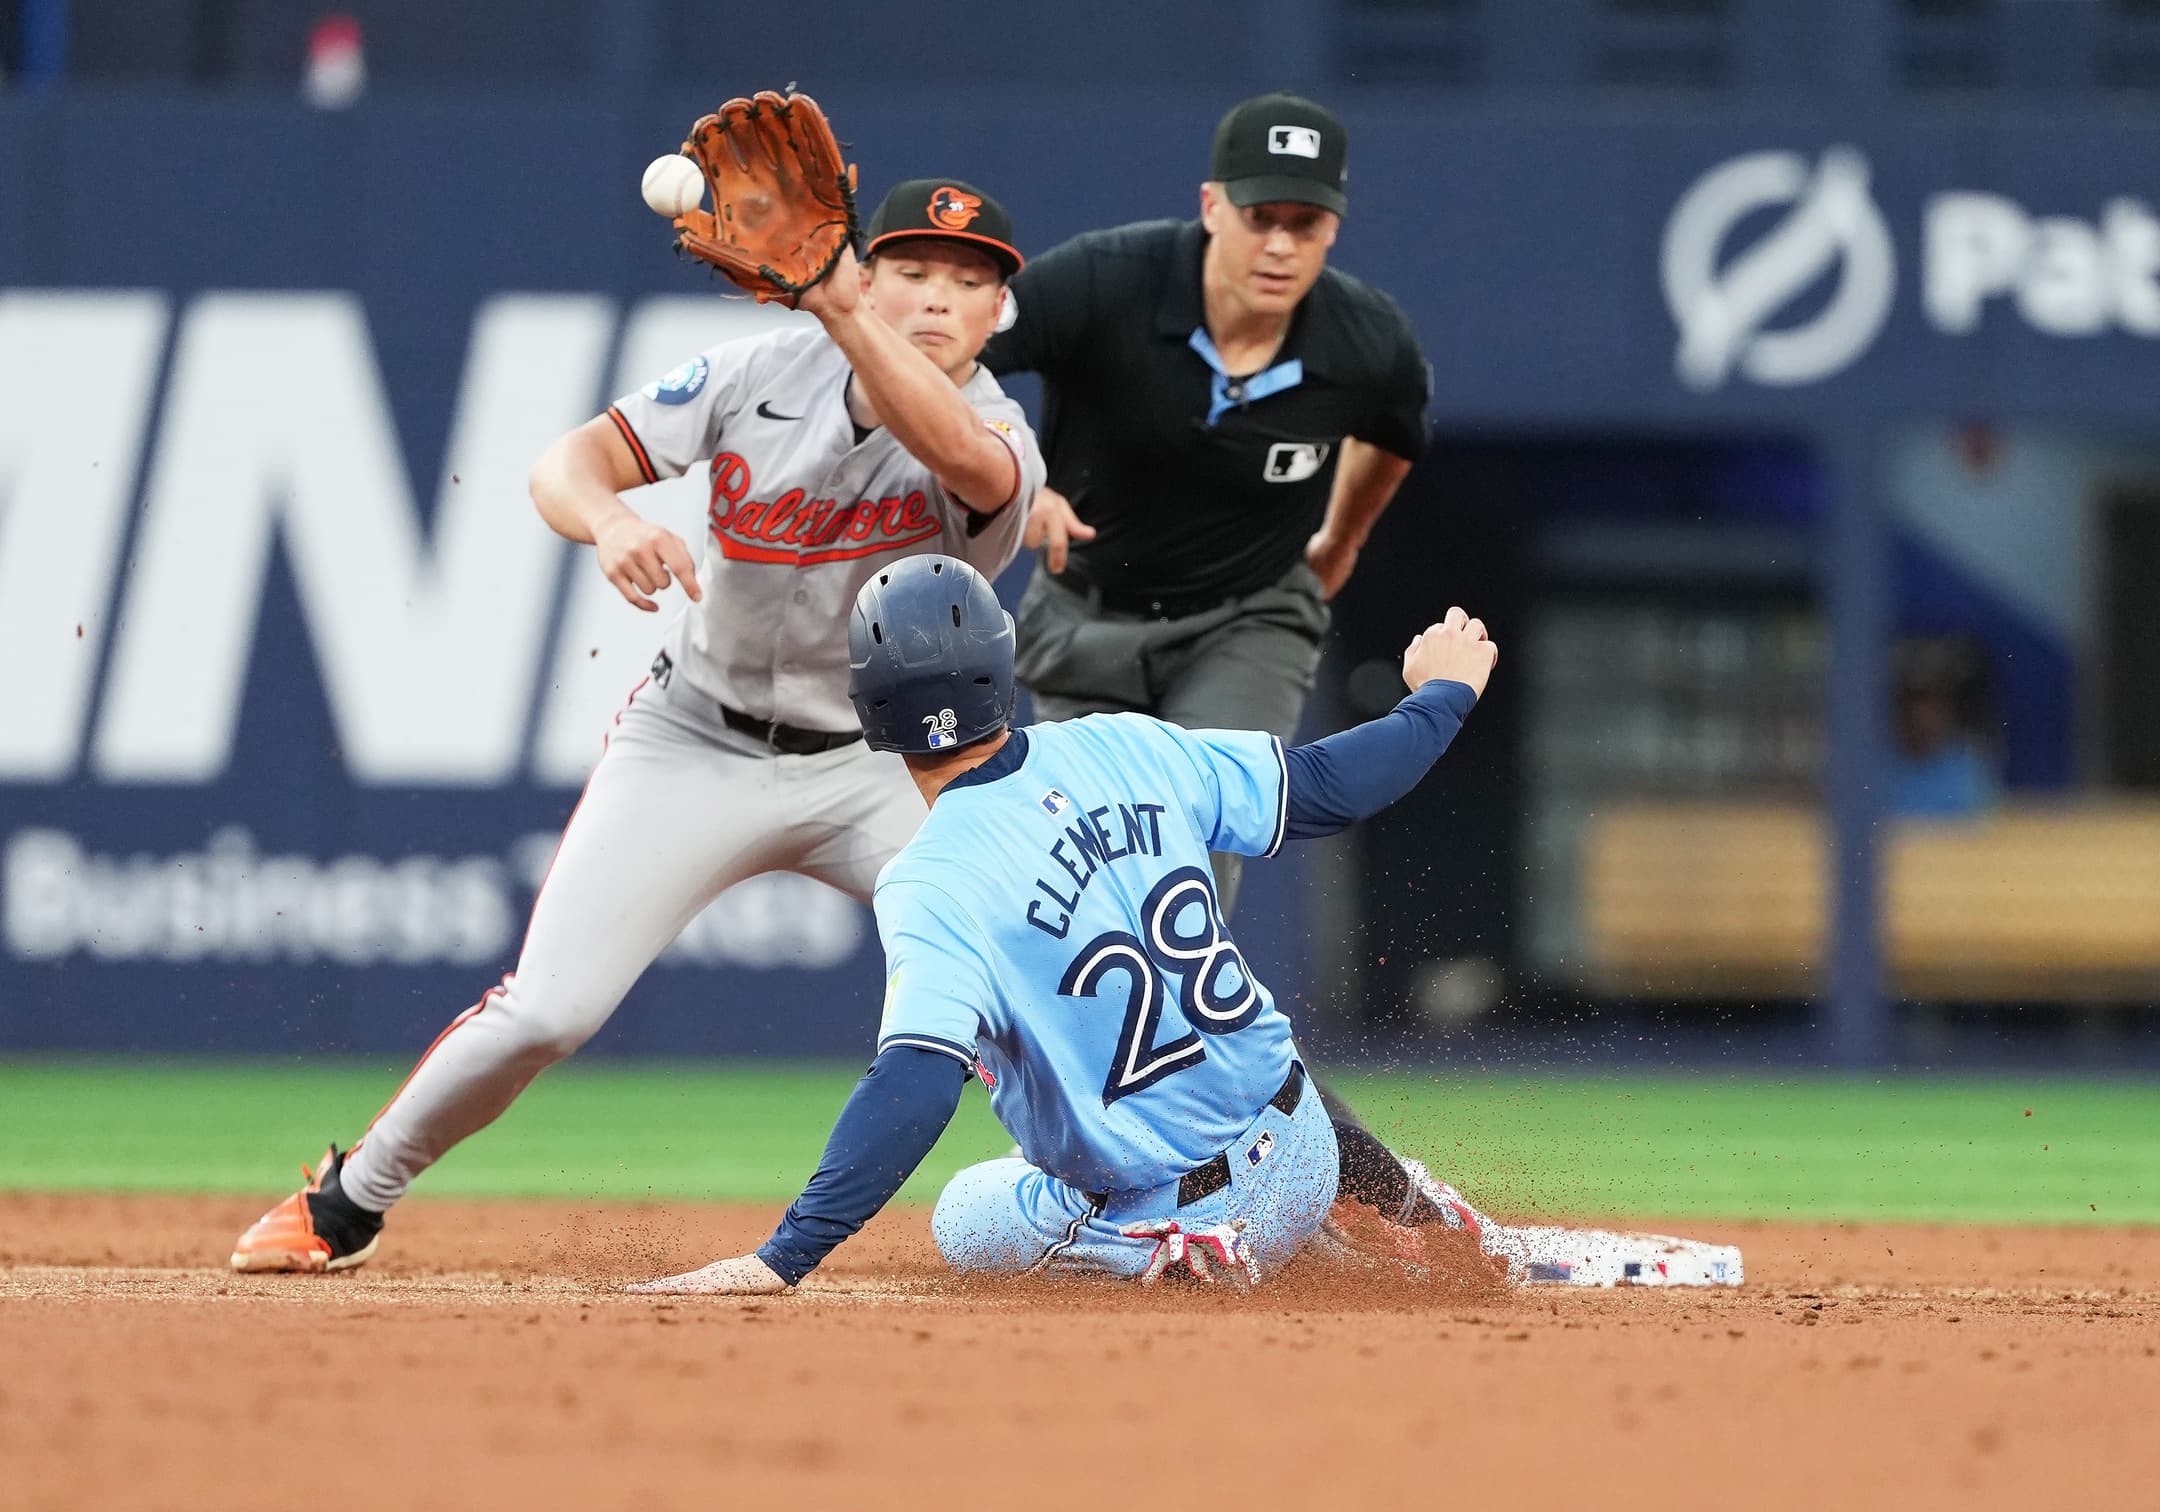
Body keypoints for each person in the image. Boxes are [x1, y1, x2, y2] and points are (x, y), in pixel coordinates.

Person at [230, 179, 1045, 1274]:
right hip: (693, 740)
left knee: (1038, 970)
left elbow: (958, 460)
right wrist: (610, 516)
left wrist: (846, 311)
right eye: (909, 271)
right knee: (546, 1012)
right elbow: (562, 466)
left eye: (970, 281)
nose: (938, 299)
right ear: (865, 269)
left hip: (882, 770)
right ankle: (348, 1199)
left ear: (1003, 314)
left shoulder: (996, 428)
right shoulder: (762, 372)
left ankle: (1171, 1185)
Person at [627, 555, 1497, 1295]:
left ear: (872, 714)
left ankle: (1159, 1249)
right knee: (1219, 1073)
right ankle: (1395, 1204)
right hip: (1307, 1144)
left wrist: (784, 1258)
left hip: (1198, 1210)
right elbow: (1328, 788)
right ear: (1001, 670)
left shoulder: (932, 881)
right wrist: (1443, 696)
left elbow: (918, 1086)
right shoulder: (1125, 744)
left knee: (967, 1214)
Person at [979, 90, 1431, 921]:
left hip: (1245, 617)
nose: (1282, 244)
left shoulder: (1365, 340)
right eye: (1262, 215)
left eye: (1308, 222)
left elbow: (1395, 431)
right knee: (1089, 864)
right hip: (1088, 615)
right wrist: (1015, 472)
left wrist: (1345, 536)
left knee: (1190, 844)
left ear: (1334, 226)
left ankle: (1184, 1046)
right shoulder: (1104, 279)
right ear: (1211, 205)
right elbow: (965, 355)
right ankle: (1073, 1048)